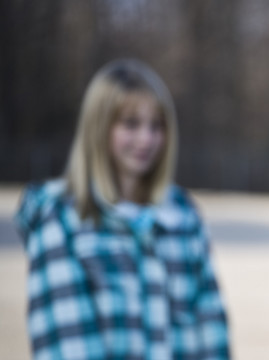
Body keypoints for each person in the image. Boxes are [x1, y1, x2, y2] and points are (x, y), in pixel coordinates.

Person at [15, 59, 231, 359]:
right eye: (131, 124)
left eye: (156, 126)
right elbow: (67, 346)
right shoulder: (61, 220)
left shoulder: (183, 216)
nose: (146, 139)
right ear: (98, 127)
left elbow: (212, 331)